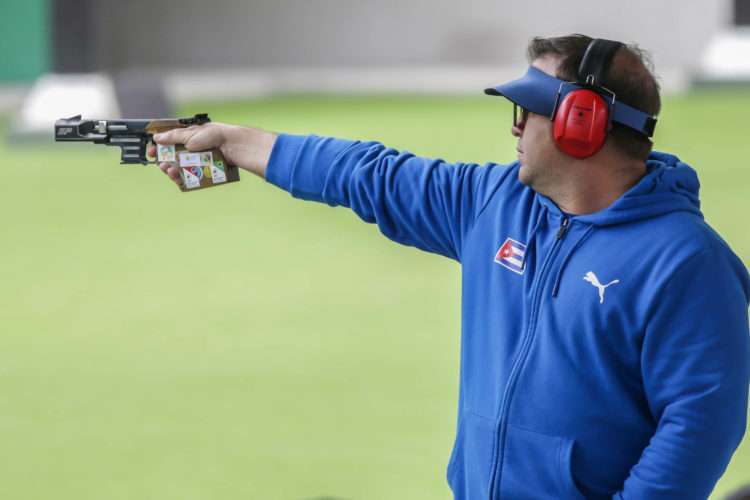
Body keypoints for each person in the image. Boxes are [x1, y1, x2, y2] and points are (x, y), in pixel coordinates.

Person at [149, 34, 750, 499]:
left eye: (530, 109)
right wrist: (232, 141)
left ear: (583, 124)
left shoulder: (686, 263)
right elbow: (368, 174)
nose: (514, 125)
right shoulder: (494, 203)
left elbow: (700, 423)